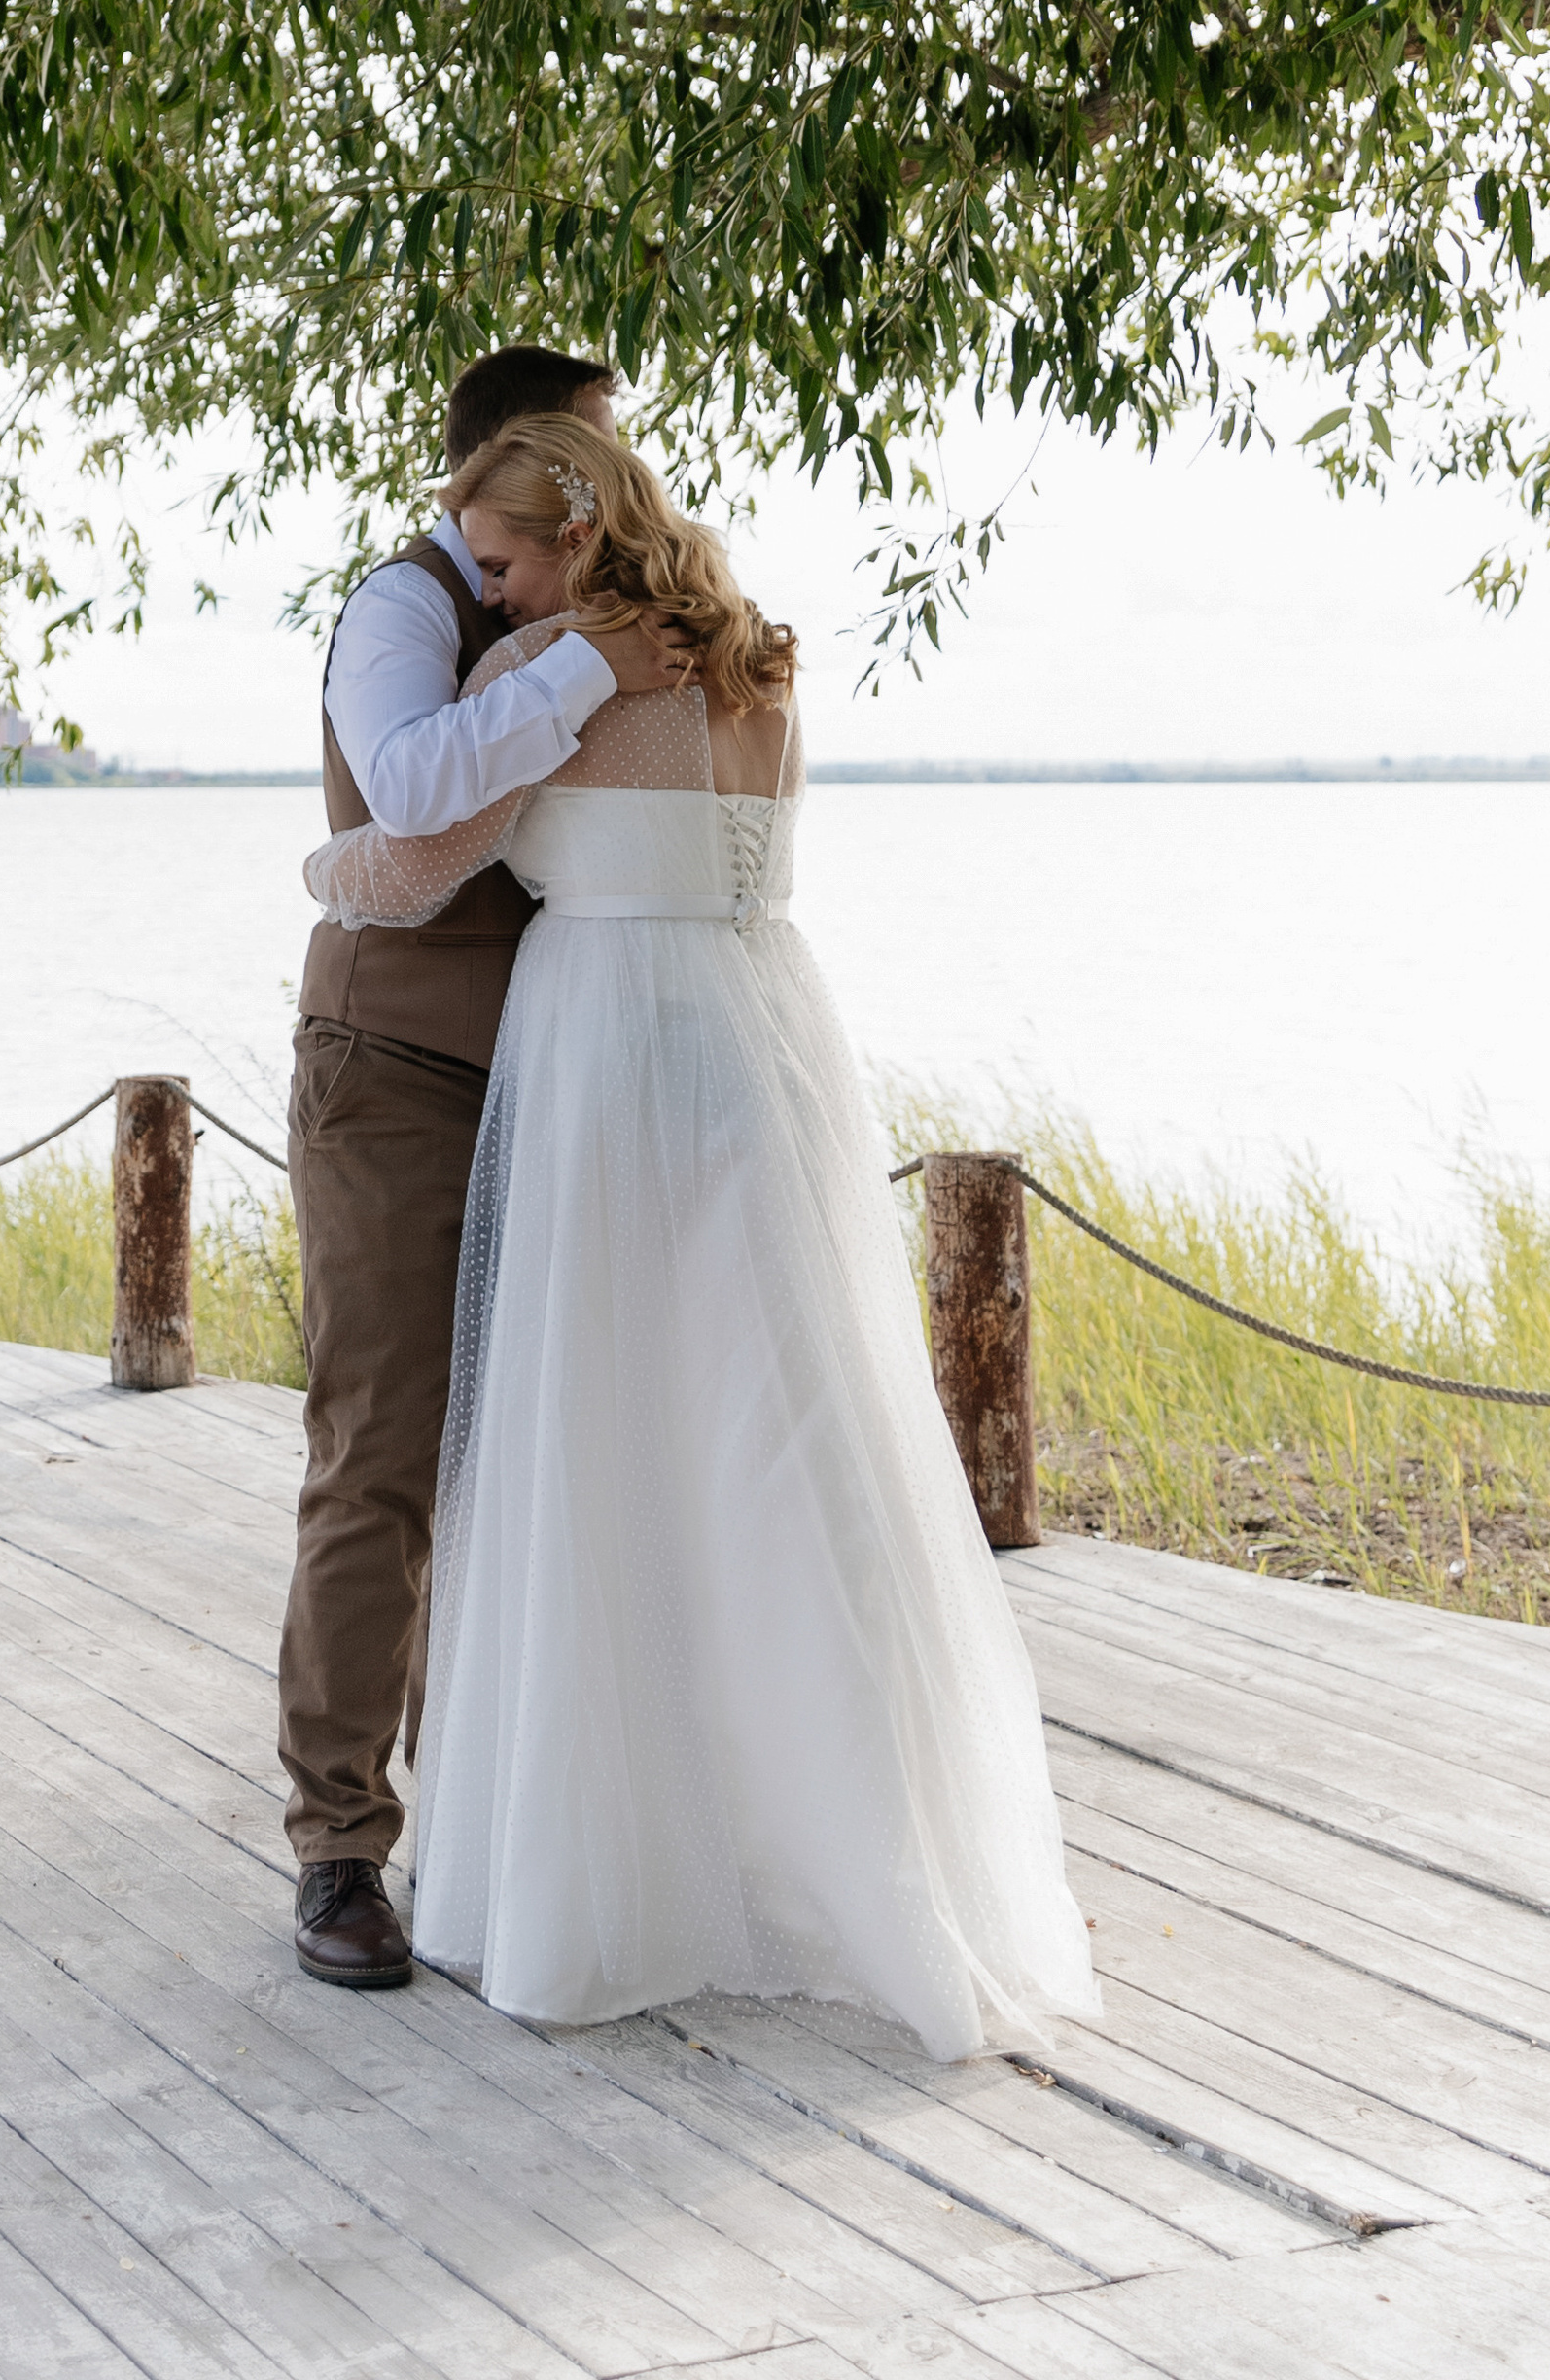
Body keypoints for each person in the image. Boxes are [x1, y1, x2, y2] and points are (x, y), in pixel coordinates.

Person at [302, 416, 1100, 2050]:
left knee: (591, 1448)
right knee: (778, 1444)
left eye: (503, 557)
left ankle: (601, 1855)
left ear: (579, 540)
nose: (484, 587)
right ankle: (834, 1841)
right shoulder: (762, 663)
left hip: (605, 1061)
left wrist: (321, 862)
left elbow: (406, 862)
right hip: (765, 1053)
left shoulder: (548, 667)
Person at [280, 347, 692, 1989]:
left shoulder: (614, 623)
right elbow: (409, 790)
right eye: (587, 461)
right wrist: (582, 668)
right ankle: (337, 1844)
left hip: (561, 1078)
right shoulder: (403, 608)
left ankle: (493, 1829)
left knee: (530, 1457)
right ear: (498, 462)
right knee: (381, 1456)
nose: (615, 492)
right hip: (392, 1075)